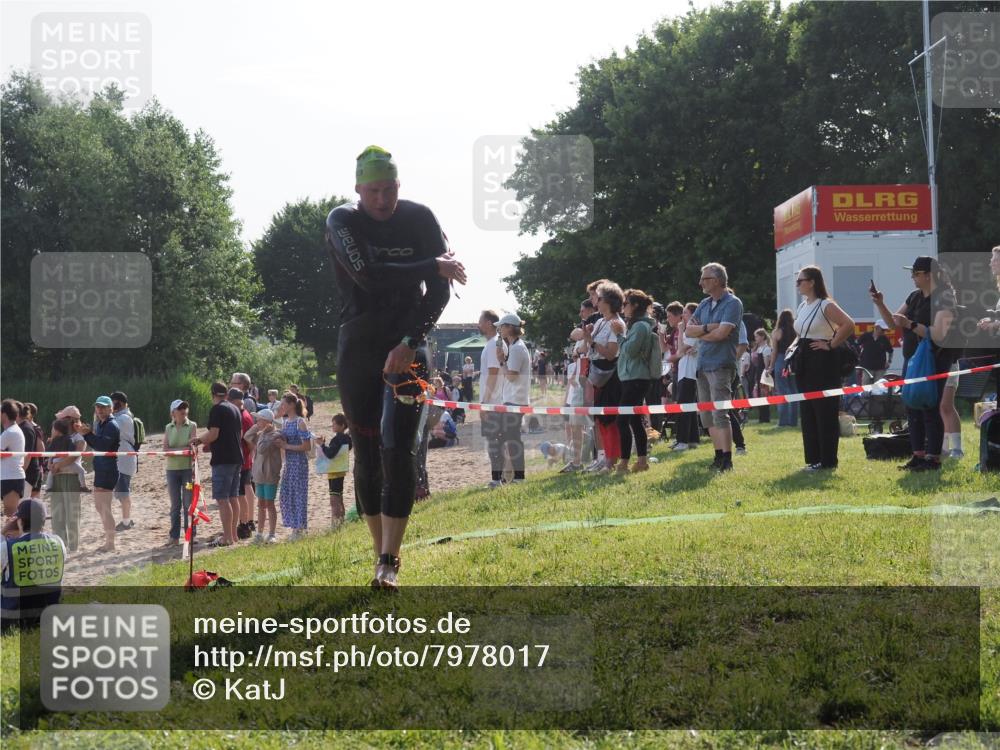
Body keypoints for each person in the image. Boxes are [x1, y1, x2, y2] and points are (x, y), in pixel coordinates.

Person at [326, 145, 466, 589]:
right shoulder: (342, 220)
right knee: (366, 452)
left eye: (389, 189)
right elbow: (367, 273)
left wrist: (410, 341)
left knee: (398, 447)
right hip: (359, 345)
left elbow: (440, 292)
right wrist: (431, 264)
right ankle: (377, 554)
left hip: (410, 343)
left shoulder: (420, 218)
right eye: (373, 191)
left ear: (399, 186)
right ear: (358, 189)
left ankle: (391, 558)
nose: (382, 200)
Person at [872, 256, 955, 471]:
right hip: (913, 359)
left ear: (929, 275)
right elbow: (892, 322)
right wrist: (881, 303)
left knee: (929, 407)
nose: (912, 277)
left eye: (915, 273)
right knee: (912, 407)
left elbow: (938, 334)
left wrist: (910, 324)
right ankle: (917, 455)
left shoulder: (944, 298)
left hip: (935, 360)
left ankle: (933, 458)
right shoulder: (914, 297)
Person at [792, 265, 856, 471]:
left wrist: (830, 344)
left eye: (800, 280)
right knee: (808, 410)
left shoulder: (824, 304)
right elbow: (801, 333)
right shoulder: (803, 306)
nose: (797, 284)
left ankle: (828, 460)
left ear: (812, 282)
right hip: (805, 360)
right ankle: (813, 459)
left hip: (823, 362)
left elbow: (848, 324)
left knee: (824, 411)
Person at [685, 263, 744, 472]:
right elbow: (687, 331)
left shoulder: (732, 303)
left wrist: (701, 333)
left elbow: (723, 334)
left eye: (705, 278)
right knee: (707, 415)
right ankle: (718, 456)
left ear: (717, 281)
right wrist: (709, 328)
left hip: (720, 365)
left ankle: (727, 459)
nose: (700, 282)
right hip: (703, 364)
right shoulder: (703, 303)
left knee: (721, 413)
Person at [190, 382, 243, 547]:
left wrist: (198, 440)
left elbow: (214, 433)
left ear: (213, 394)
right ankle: (233, 535)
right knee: (233, 497)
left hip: (223, 459)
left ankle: (227, 537)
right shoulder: (235, 408)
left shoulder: (217, 409)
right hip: (236, 457)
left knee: (222, 499)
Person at [1, 499, 65, 632]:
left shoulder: (7, 547)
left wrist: (3, 532)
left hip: (14, 621)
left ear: (20, 521)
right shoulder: (58, 543)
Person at [583, 282, 626, 474]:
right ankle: (606, 459)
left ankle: (611, 461)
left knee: (610, 420)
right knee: (601, 420)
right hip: (598, 376)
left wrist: (592, 341)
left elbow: (610, 353)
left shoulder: (617, 323)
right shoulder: (600, 322)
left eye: (599, 298)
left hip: (612, 376)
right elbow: (588, 348)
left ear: (608, 301)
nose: (596, 302)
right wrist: (587, 337)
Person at [615, 289, 658, 474]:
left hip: (636, 379)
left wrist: (619, 335)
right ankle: (641, 462)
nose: (623, 308)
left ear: (635, 306)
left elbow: (631, 351)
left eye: (625, 304)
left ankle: (624, 463)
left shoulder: (640, 327)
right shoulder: (636, 326)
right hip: (631, 378)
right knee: (634, 421)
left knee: (622, 421)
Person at [490, 313, 531, 487]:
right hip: (514, 400)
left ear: (509, 327)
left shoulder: (516, 348)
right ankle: (512, 477)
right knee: (509, 438)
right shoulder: (516, 347)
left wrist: (501, 361)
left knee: (505, 438)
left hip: (515, 400)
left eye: (502, 326)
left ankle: (509, 478)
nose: (499, 329)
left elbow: (512, 376)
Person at [79, 396, 120, 552]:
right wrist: (87, 433)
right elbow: (97, 444)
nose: (100, 410)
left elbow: (102, 445)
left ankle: (111, 543)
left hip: (108, 469)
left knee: (104, 507)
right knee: (100, 506)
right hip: (102, 468)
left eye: (103, 407)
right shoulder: (100, 423)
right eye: (98, 407)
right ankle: (109, 541)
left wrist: (87, 434)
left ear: (111, 409)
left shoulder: (111, 425)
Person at [273, 393, 312, 540]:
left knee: (298, 495)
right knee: (286, 495)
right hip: (289, 463)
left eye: (283, 404)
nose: (281, 406)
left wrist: (286, 445)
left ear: (291, 405)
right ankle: (295, 527)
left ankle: (299, 528)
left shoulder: (299, 422)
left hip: (299, 463)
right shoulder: (285, 422)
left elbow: (306, 446)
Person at [244, 408, 282, 544]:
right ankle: (260, 533)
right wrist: (255, 429)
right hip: (259, 474)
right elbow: (246, 436)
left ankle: (272, 533)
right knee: (260, 504)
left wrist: (263, 432)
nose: (257, 421)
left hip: (270, 474)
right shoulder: (259, 433)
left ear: (267, 421)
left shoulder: (275, 434)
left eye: (259, 419)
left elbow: (261, 449)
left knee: (270, 504)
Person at [163, 399, 196, 547]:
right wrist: (181, 450)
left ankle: (191, 535)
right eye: (179, 408)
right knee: (175, 505)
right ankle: (174, 537)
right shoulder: (168, 427)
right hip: (172, 471)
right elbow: (165, 450)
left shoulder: (192, 425)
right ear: (173, 412)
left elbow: (192, 449)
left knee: (188, 504)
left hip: (188, 471)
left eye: (185, 408)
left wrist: (175, 451)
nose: (183, 410)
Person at [45, 419, 81, 553]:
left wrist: (58, 465)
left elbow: (74, 456)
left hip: (70, 476)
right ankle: (60, 543)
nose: (52, 431)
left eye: (53, 428)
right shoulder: (54, 441)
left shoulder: (77, 437)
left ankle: (73, 546)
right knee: (57, 512)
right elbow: (49, 455)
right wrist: (51, 465)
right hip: (56, 477)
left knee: (71, 513)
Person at [672, 302, 701, 450]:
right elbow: (680, 350)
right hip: (685, 372)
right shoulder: (688, 330)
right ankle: (692, 439)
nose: (682, 315)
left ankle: (682, 440)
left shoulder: (692, 329)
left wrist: (682, 330)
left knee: (684, 406)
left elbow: (681, 350)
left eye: (685, 312)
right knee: (689, 406)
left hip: (690, 372)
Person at [228, 388, 257, 541]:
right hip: (245, 458)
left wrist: (248, 455)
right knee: (245, 490)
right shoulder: (244, 414)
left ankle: (245, 523)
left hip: (243, 459)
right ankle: (247, 521)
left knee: (241, 493)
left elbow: (249, 440)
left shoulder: (242, 416)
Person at [317, 414, 352, 527]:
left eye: (334, 424)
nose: (332, 426)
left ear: (342, 426)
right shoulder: (347, 438)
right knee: (339, 497)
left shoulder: (337, 439)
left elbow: (330, 454)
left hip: (334, 472)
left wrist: (322, 445)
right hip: (340, 471)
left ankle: (335, 524)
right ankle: (341, 521)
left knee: (334, 500)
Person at [109, 391, 137, 532]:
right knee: (121, 492)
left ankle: (126, 522)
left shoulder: (123, 418)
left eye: (113, 403)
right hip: (121, 460)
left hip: (124, 460)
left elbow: (111, 429)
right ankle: (127, 519)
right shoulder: (120, 416)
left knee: (123, 491)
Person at [770, 309, 799, 427]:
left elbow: (775, 351)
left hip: (781, 360)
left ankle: (783, 421)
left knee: (782, 390)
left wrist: (771, 366)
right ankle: (793, 421)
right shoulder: (796, 331)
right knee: (793, 390)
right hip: (793, 361)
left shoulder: (777, 332)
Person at [1, 400, 27, 516]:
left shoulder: (9, 432)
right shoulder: (11, 431)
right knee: (10, 513)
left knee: (11, 514)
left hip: (11, 476)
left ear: (4, 414)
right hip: (10, 476)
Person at [16, 404, 41, 502]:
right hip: (26, 472)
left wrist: (21, 472)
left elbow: (28, 454)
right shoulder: (22, 427)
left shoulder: (26, 428)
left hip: (28, 472)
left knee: (22, 504)